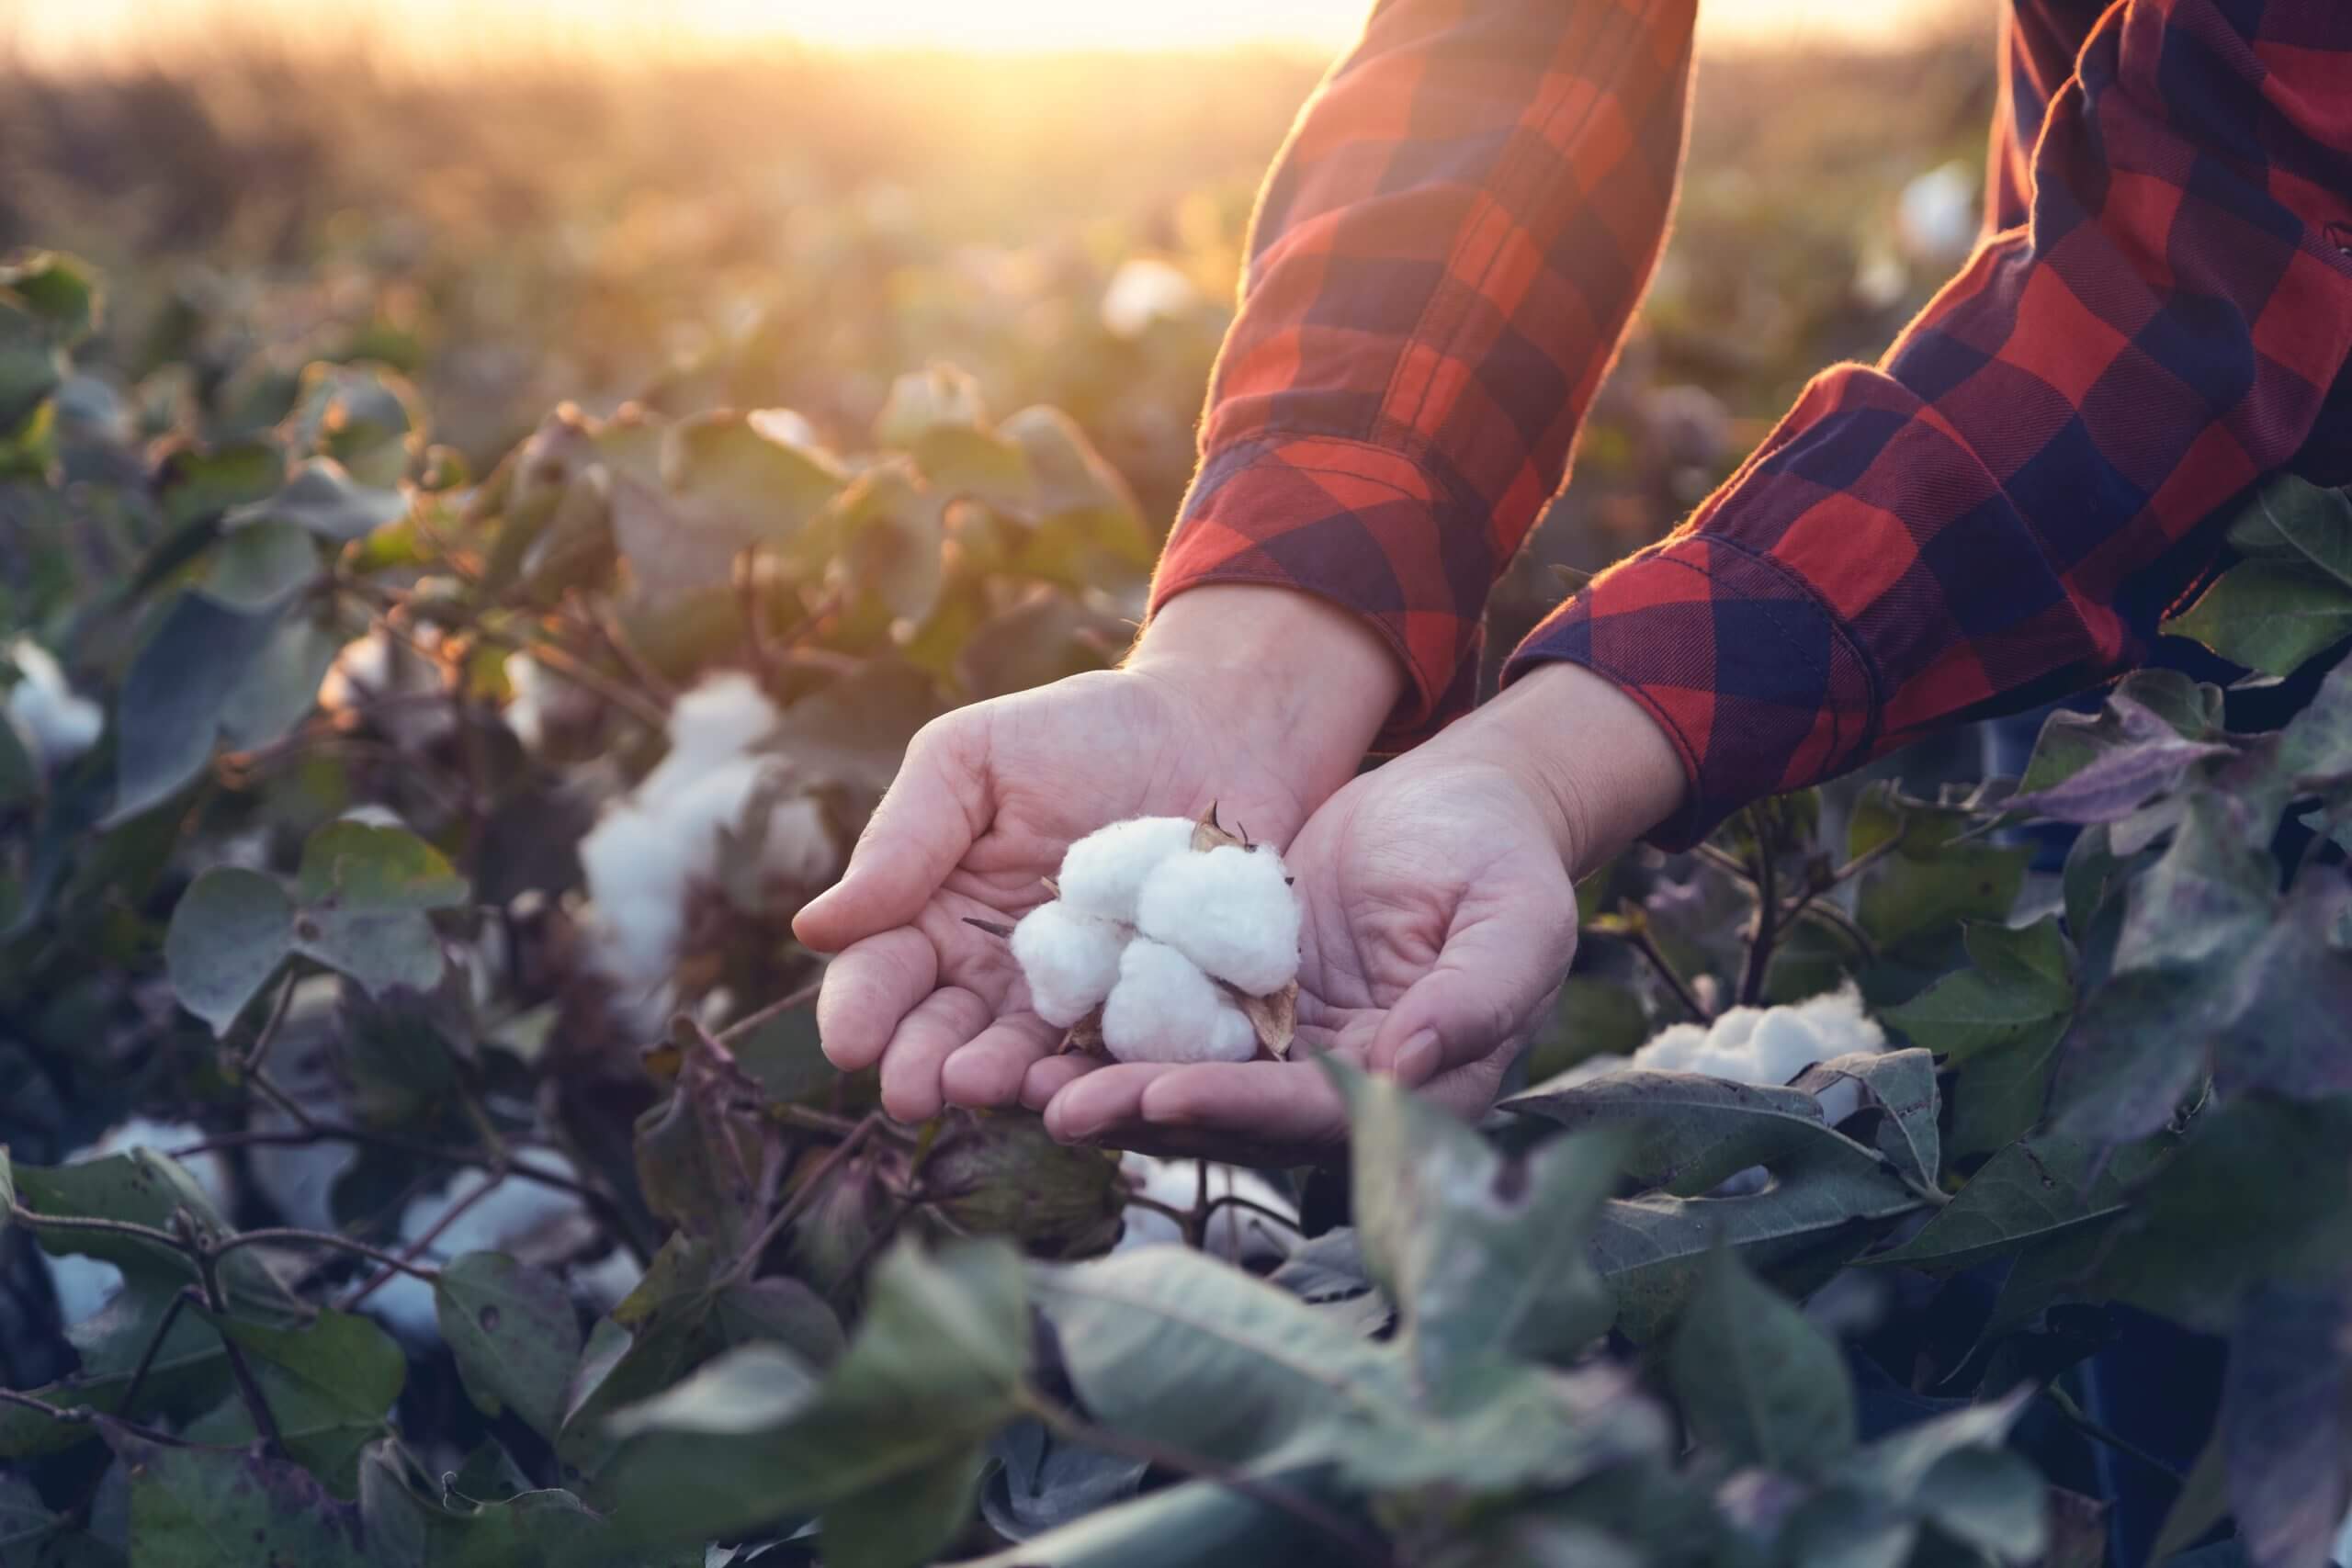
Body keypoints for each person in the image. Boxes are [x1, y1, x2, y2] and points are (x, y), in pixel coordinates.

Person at [795, 0, 2352, 1164]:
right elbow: (1512, 47)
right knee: (2163, 1249)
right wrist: (1250, 652)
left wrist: (1557, 753)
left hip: (2272, 534)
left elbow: (2226, 241)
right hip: (2158, 605)